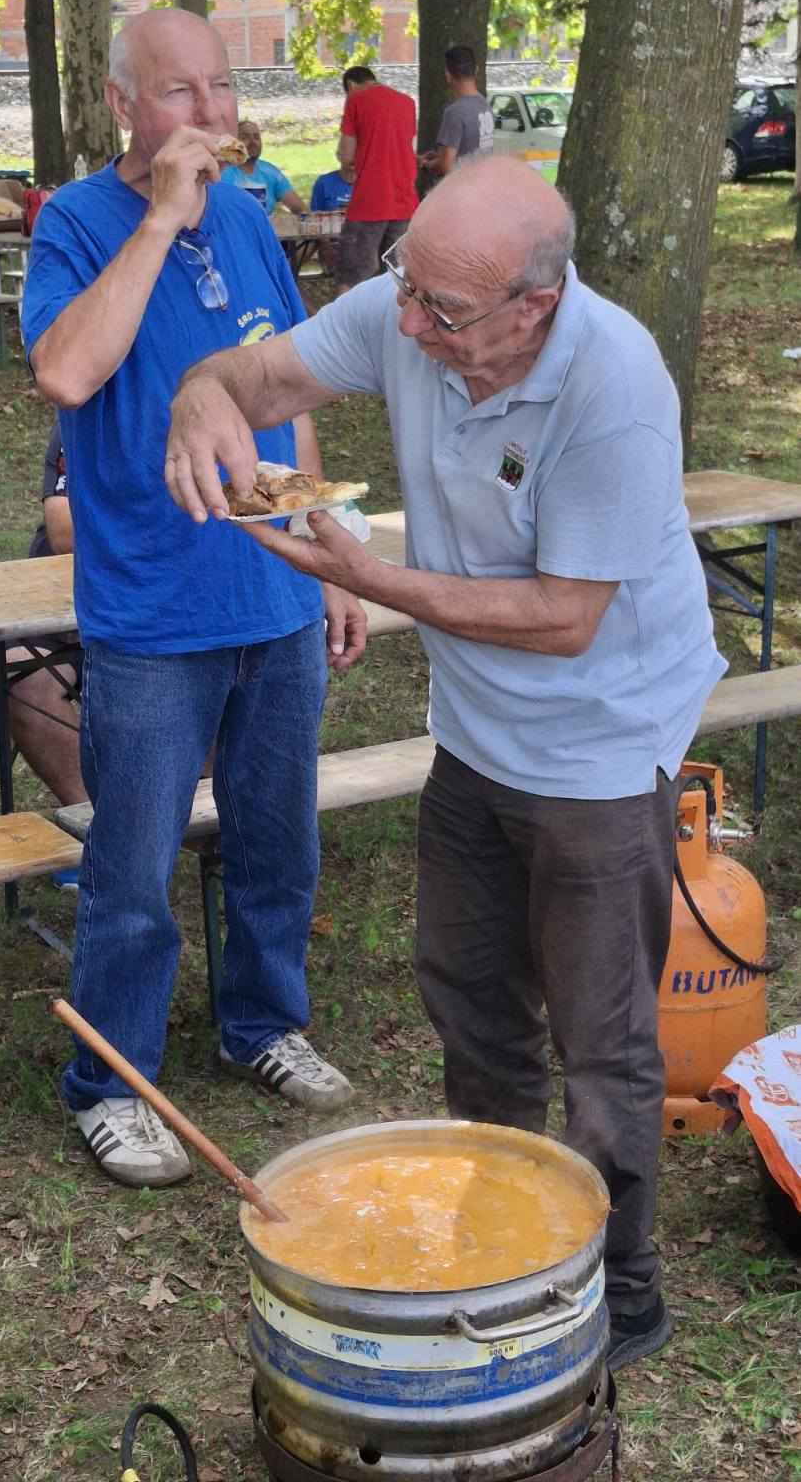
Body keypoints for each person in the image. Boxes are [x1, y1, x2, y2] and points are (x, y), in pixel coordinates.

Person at [163, 153, 727, 1371]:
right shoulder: (413, 304)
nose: (410, 325)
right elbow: (255, 373)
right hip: (474, 734)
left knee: (602, 1036)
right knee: (469, 994)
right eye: (405, 286)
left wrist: (370, 578)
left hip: (601, 739)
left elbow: (565, 617)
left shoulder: (614, 383)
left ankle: (618, 1284)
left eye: (444, 309)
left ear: (536, 304)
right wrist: (200, 397)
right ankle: (508, 1234)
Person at [20, 7, 365, 1191]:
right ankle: (110, 1081)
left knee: (277, 840)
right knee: (134, 864)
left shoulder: (252, 214)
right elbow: (66, 371)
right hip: (154, 609)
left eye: (221, 86)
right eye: (180, 92)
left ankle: (263, 1023)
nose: (211, 113)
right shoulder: (78, 221)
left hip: (273, 590)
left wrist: (320, 544)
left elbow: (289, 380)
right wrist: (162, 216)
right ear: (123, 105)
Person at [7, 417, 88, 891]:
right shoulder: (84, 410)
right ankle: (94, 824)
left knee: (216, 663)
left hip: (170, 612)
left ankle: (202, 818)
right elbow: (64, 534)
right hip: (66, 604)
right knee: (22, 673)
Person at [335, 65, 417, 294]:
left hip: (369, 201)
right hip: (404, 201)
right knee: (398, 278)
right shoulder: (407, 102)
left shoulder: (356, 100)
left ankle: (342, 318)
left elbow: (347, 153)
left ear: (351, 85)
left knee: (351, 276)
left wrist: (344, 156)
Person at [418, 44, 494, 178]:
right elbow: (471, 150)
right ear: (476, 70)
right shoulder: (485, 105)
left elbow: (445, 166)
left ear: (448, 75)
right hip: (484, 180)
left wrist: (424, 164)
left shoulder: (455, 112)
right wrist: (439, 156)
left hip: (464, 185)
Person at [219, 120, 307, 217]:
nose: (252, 142)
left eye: (256, 137)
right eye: (245, 137)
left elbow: (301, 209)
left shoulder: (270, 172)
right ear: (234, 143)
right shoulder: (221, 172)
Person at [310, 161, 355, 276]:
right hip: (332, 244)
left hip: (362, 245)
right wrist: (325, 245)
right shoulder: (324, 182)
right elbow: (314, 218)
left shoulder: (371, 183)